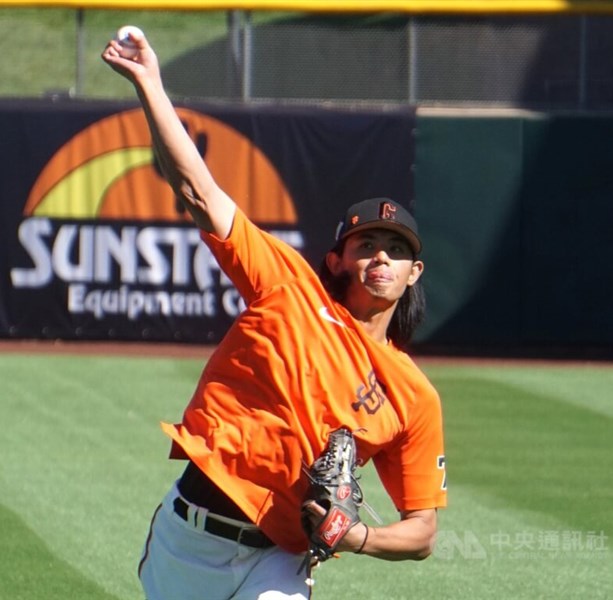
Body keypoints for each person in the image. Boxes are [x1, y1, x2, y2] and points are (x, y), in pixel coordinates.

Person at [102, 28, 447, 600]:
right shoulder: (288, 285)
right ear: (338, 258)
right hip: (188, 542)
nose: (381, 255)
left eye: (398, 248)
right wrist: (150, 84)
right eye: (366, 244)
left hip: (279, 565)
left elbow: (422, 531)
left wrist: (357, 535)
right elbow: (197, 190)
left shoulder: (414, 397)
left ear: (415, 272)